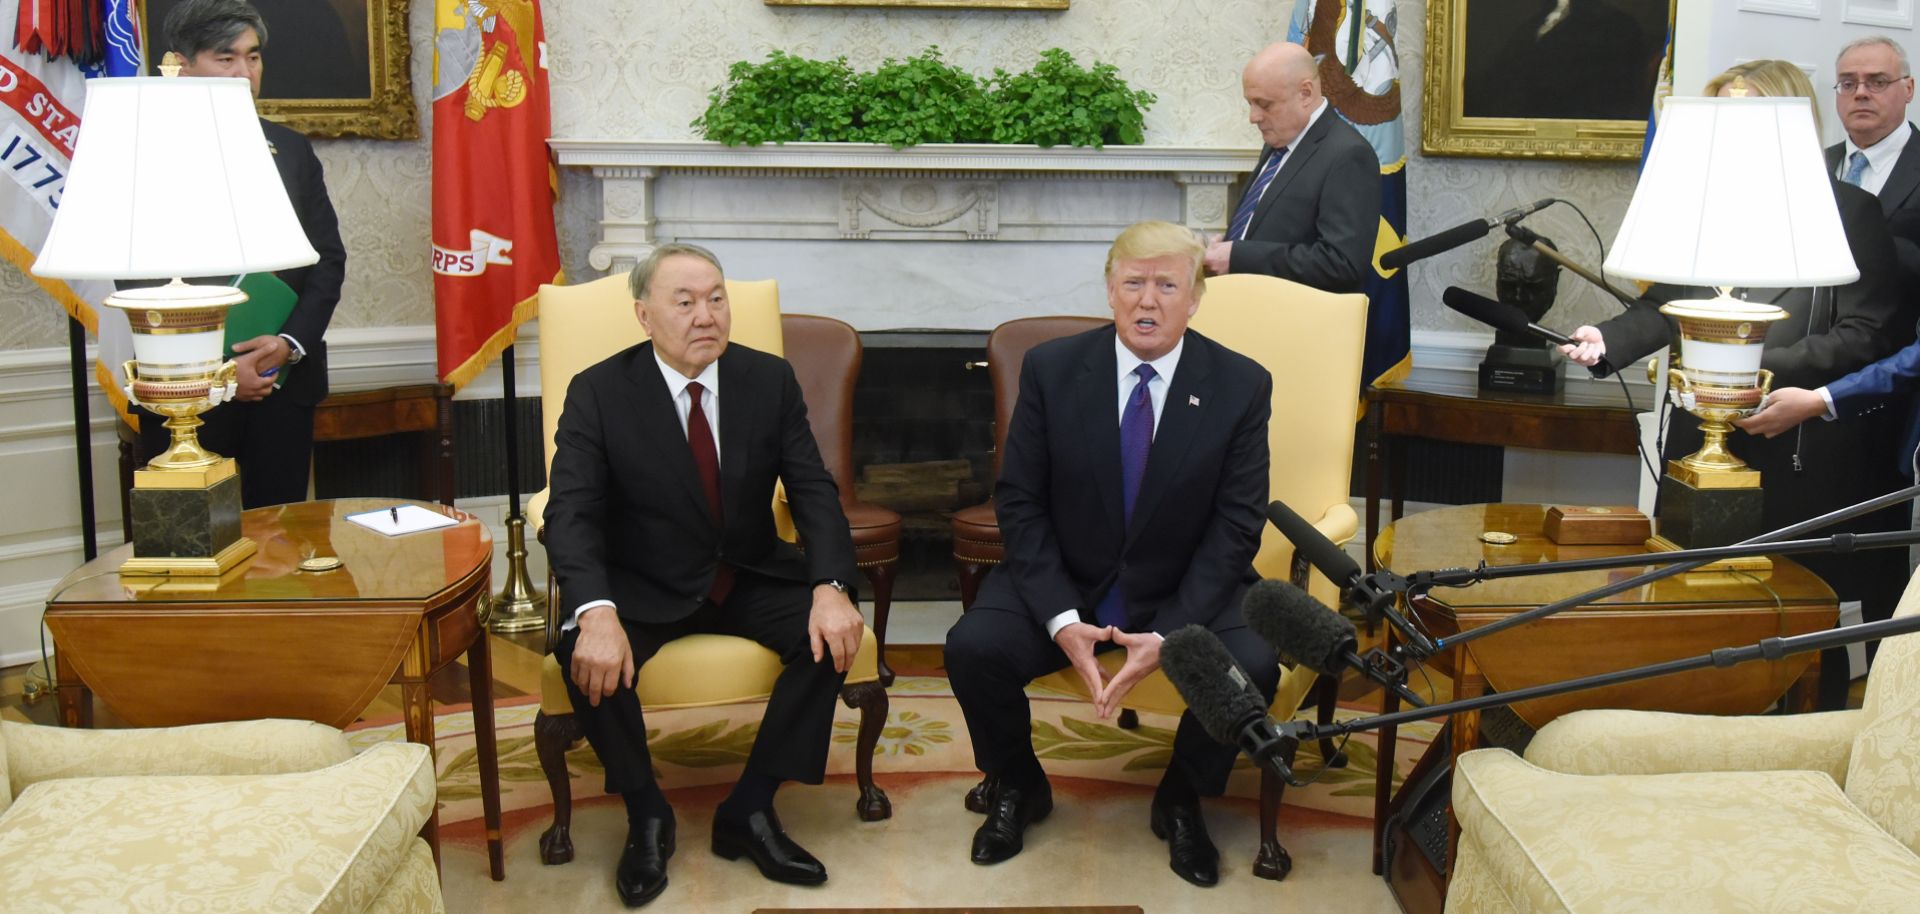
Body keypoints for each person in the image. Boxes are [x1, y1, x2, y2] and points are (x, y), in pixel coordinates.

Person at [1561, 62, 1917, 704]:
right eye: (1720, 112)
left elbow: (1868, 334)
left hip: (1799, 446)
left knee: (1801, 622)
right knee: (1695, 604)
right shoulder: (1700, 203)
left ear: (1788, 120)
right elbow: (1661, 305)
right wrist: (1606, 341)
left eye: (1746, 113)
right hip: (1701, 443)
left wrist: (1748, 374)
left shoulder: (1849, 211)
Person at [946, 221, 1278, 887]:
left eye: (1166, 285)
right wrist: (1062, 618)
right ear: (1109, 291)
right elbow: (1020, 502)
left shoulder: (1240, 384)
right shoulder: (1053, 369)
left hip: (1184, 586)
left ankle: (1181, 796)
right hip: (1066, 576)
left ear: (1194, 298)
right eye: (1133, 284)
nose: (1147, 301)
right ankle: (1018, 784)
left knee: (1252, 666)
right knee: (972, 647)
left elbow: (1237, 526)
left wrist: (1170, 631)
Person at [544, 243, 866, 907]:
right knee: (582, 648)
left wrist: (831, 586)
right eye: (684, 302)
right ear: (644, 315)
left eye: (716, 298)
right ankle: (647, 812)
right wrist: (597, 610)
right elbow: (572, 514)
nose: (706, 315)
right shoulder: (599, 392)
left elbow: (811, 489)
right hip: (643, 582)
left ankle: (749, 808)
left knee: (832, 635)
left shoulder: (767, 379)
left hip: (745, 571)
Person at [142, 0, 346, 509]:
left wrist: (287, 344)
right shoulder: (142, 150)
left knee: (280, 543)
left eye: (253, 58)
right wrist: (223, 375)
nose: (245, 73)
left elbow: (326, 260)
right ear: (181, 65)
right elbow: (133, 279)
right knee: (192, 546)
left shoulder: (291, 149)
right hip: (187, 393)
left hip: (284, 379)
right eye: (225, 59)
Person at [1203, 42, 1379, 294]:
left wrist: (1239, 256)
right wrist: (1227, 248)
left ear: (1305, 93)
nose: (1253, 117)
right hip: (1247, 308)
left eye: (1264, 104)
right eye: (1250, 103)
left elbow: (1342, 264)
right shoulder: (1280, 138)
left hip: (1295, 323)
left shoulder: (1348, 154)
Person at [1823, 36, 1920, 287]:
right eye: (1848, 83)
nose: (1860, 93)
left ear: (1909, 89)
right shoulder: (1813, 165)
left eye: (1878, 82)